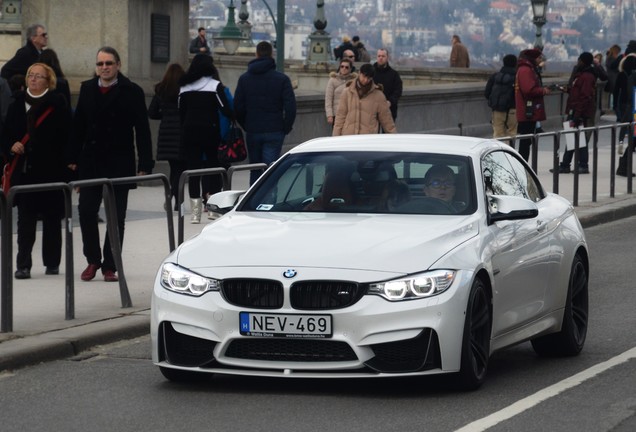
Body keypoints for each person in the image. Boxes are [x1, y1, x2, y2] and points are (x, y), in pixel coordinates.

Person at [68, 46, 154, 283]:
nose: (104, 68)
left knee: (116, 217)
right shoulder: (86, 89)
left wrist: (146, 162)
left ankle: (110, 265)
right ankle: (93, 259)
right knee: (86, 212)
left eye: (108, 63)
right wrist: (72, 159)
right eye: (100, 64)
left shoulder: (132, 91)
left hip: (119, 161)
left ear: (118, 65)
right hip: (91, 161)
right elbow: (78, 127)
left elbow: (142, 130)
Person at [0, 63, 72, 279]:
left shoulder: (57, 104)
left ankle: (52, 262)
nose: (33, 79)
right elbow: (4, 132)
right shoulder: (16, 103)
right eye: (30, 75)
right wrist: (11, 145)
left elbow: (67, 136)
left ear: (47, 80)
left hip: (51, 169)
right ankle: (23, 264)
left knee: (52, 218)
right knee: (25, 220)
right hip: (25, 170)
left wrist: (69, 167)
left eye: (38, 76)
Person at [178, 54, 233, 223]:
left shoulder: (184, 87)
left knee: (193, 172)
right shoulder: (214, 86)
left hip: (190, 132)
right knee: (213, 169)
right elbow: (225, 110)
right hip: (210, 132)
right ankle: (213, 210)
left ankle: (195, 213)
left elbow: (181, 111)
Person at [234, 41, 297, 185]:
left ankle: (253, 202)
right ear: (271, 54)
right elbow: (291, 107)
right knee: (270, 172)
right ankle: (268, 202)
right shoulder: (282, 79)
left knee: (255, 169)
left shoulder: (244, 79)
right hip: (274, 129)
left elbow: (238, 107)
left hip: (253, 129)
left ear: (256, 54)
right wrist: (285, 127)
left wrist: (246, 125)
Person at [148, 63, 186, 211]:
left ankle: (172, 195)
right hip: (181, 132)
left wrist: (165, 116)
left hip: (166, 133)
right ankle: (177, 199)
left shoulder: (161, 89)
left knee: (174, 168)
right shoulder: (184, 90)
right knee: (181, 169)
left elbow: (151, 112)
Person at [553, 52, 598, 174]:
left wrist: (578, 115)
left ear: (582, 61)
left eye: (579, 60)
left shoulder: (587, 76)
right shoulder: (582, 75)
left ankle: (582, 165)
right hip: (576, 110)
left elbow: (585, 96)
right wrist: (567, 90)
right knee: (572, 137)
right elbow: (578, 92)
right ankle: (566, 164)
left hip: (580, 112)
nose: (577, 62)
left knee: (579, 138)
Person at [333, 63, 396, 136]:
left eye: (369, 78)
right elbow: (340, 117)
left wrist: (394, 139)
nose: (366, 80)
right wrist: (335, 137)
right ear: (359, 73)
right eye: (364, 76)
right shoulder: (347, 92)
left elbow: (387, 121)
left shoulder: (378, 96)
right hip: (348, 137)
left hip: (368, 139)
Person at [515, 48, 550, 162]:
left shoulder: (528, 69)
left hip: (529, 110)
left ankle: (523, 163)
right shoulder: (526, 70)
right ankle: (522, 164)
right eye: (539, 57)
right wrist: (542, 91)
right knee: (525, 141)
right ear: (533, 58)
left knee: (527, 140)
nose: (541, 60)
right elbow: (528, 90)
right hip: (527, 110)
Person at [484, 54, 517, 138]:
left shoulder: (495, 76)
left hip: (497, 108)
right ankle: (509, 150)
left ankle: (499, 150)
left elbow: (487, 93)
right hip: (513, 109)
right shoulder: (517, 77)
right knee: (511, 133)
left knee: (498, 133)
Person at [615, 53, 636, 177]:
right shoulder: (633, 75)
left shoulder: (628, 75)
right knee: (633, 142)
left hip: (629, 109)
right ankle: (623, 167)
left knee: (633, 142)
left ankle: (623, 166)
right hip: (632, 111)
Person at [324, 58, 356, 128]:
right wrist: (329, 115)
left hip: (350, 114)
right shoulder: (332, 80)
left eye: (346, 67)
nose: (344, 68)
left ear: (350, 69)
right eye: (342, 66)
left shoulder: (354, 81)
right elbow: (328, 98)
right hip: (336, 114)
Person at [373, 48, 403, 121]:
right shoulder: (370, 73)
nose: (380, 58)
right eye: (379, 56)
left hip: (389, 110)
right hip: (372, 110)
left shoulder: (394, 74)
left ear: (387, 57)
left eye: (383, 56)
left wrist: (390, 101)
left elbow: (398, 91)